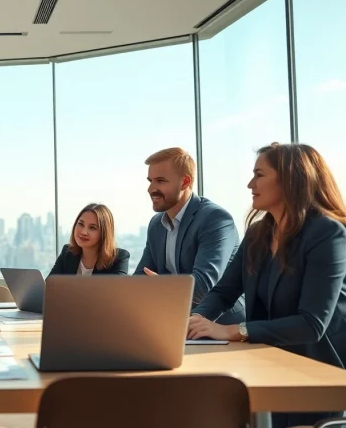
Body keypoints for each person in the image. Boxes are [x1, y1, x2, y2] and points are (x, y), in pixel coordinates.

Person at [188, 143, 346, 427]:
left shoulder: (327, 233)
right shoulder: (258, 233)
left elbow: (311, 324)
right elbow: (225, 291)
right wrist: (197, 318)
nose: (250, 184)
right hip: (270, 364)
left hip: (318, 374)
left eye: (259, 175)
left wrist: (235, 330)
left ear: (290, 179)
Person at [134, 147, 245, 324]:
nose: (151, 189)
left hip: (221, 326)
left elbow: (202, 287)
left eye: (160, 181)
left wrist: (159, 285)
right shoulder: (156, 225)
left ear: (185, 182)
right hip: (177, 324)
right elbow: (140, 279)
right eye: (150, 181)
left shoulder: (215, 219)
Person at [49, 203, 130, 276]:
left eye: (92, 228)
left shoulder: (119, 258)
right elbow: (50, 286)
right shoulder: (67, 252)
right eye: (80, 224)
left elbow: (115, 291)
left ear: (104, 233)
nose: (84, 232)